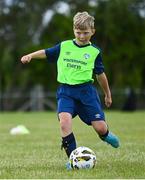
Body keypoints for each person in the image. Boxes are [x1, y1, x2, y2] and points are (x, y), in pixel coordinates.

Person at [21, 11, 120, 169]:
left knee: (99, 127)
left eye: (85, 33)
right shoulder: (64, 46)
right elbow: (46, 53)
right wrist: (30, 55)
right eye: (78, 32)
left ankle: (106, 135)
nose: (81, 36)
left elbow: (101, 75)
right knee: (64, 123)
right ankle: (72, 159)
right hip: (66, 92)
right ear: (74, 30)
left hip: (86, 92)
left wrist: (108, 94)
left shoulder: (95, 52)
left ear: (93, 31)